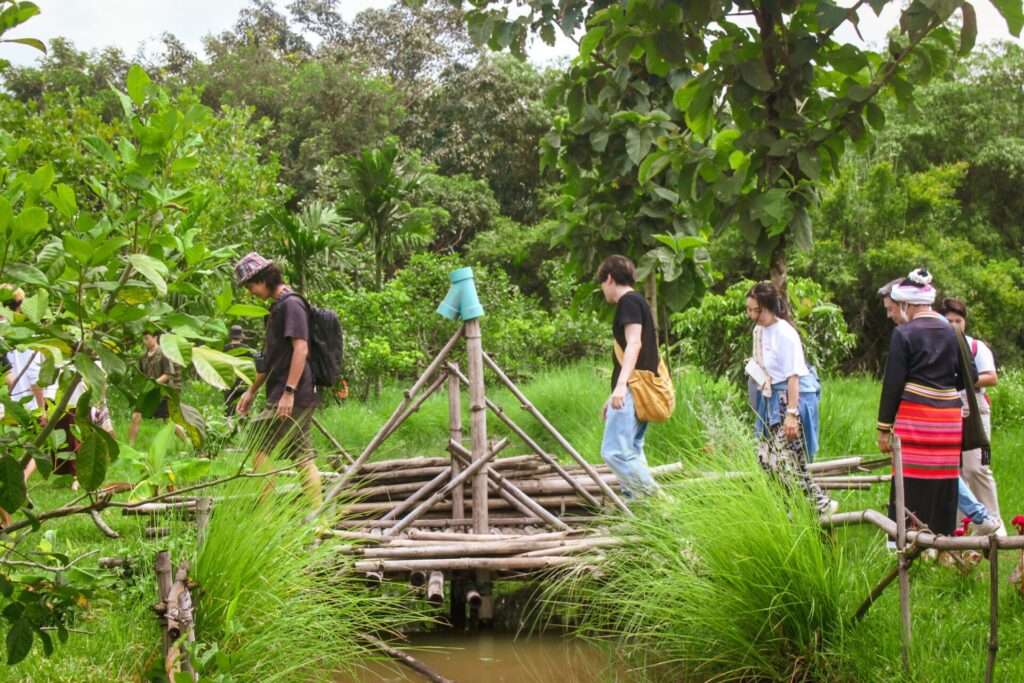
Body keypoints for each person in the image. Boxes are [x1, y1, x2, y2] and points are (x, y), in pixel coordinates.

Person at [876, 269, 972, 537]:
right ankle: (942, 540)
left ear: (905, 304)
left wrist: (884, 427)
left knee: (909, 479)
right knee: (944, 480)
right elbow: (970, 377)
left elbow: (892, 383)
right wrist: (944, 389)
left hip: (915, 419)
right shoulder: (953, 331)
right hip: (949, 423)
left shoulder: (904, 333)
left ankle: (906, 538)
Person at [233, 252, 323, 506]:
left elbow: (301, 349)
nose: (251, 292)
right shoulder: (278, 306)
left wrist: (289, 391)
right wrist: (251, 391)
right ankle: (318, 520)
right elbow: (271, 358)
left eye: (251, 286)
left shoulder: (291, 305)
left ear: (263, 279)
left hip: (292, 394)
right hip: (294, 393)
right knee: (302, 456)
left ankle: (266, 514)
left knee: (257, 441)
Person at [745, 281, 836, 515]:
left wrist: (791, 415)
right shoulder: (760, 331)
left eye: (758, 310)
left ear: (771, 308)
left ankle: (821, 505)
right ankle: (788, 508)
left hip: (791, 399)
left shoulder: (785, 334)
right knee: (765, 458)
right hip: (771, 398)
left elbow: (793, 377)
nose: (753, 315)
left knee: (789, 460)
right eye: (750, 310)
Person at [939, 297, 1005, 536]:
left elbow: (992, 377)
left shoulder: (975, 346)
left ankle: (994, 523)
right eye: (949, 321)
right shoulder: (938, 346)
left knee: (976, 468)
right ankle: (958, 528)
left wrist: (965, 377)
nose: (955, 325)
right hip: (947, 409)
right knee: (953, 472)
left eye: (959, 320)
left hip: (974, 407)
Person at [596, 255, 660, 498]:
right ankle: (644, 514)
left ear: (609, 279)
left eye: (602, 283)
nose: (603, 289)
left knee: (615, 452)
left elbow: (634, 344)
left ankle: (659, 501)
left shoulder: (628, 301)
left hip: (632, 389)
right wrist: (615, 391)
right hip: (633, 389)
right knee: (631, 451)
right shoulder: (638, 301)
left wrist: (621, 386)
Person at [129, 330, 187, 446]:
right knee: (136, 416)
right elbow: (142, 375)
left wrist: (155, 383)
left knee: (168, 421)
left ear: (155, 338)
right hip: (147, 392)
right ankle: (130, 446)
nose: (145, 341)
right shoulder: (143, 357)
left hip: (162, 393)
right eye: (143, 339)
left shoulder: (164, 354)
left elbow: (169, 374)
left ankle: (187, 442)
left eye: (147, 338)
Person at [222, 324, 253, 416]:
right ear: (241, 336)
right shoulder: (247, 349)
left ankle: (230, 428)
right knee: (243, 408)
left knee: (229, 409)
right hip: (243, 381)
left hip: (229, 382)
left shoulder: (226, 348)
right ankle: (243, 427)